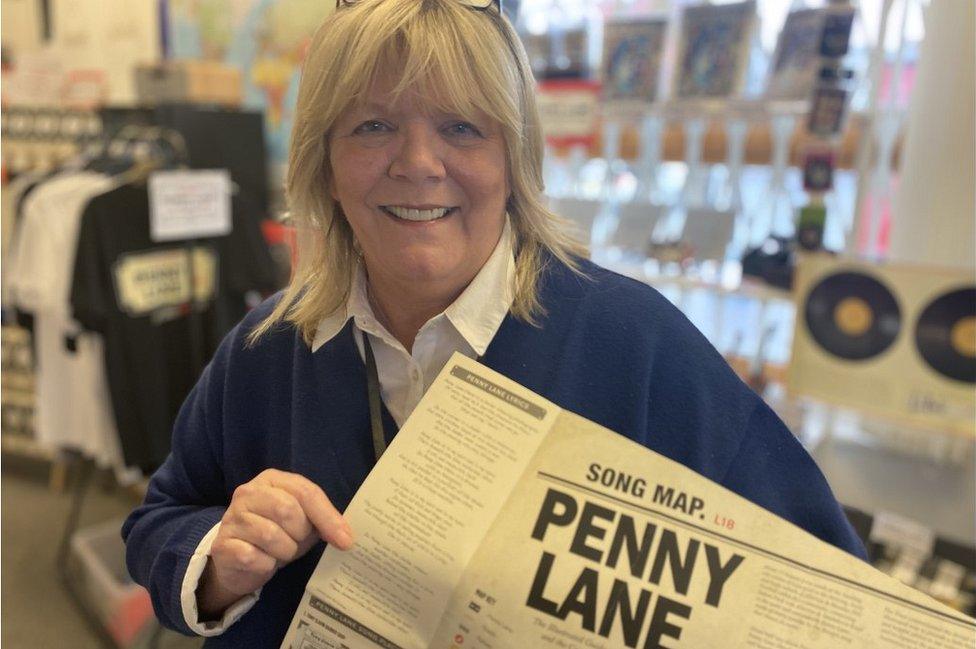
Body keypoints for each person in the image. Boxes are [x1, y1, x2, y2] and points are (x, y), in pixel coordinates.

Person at [123, 0, 866, 645]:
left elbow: (827, 589)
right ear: (324, 163)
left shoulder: (636, 343)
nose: (418, 163)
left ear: (515, 158)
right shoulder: (266, 351)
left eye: (461, 128)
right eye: (373, 126)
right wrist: (219, 561)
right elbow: (159, 520)